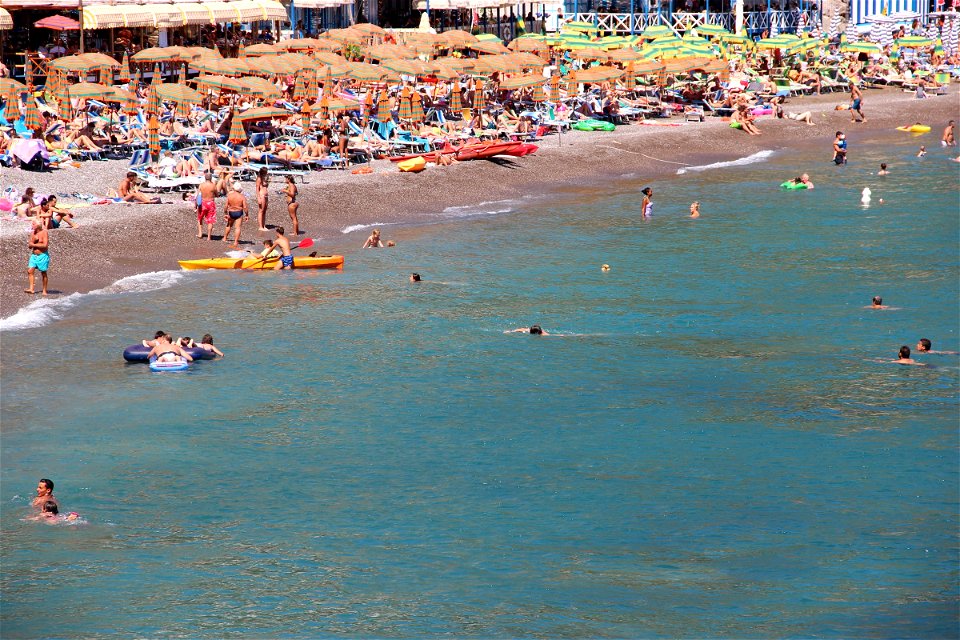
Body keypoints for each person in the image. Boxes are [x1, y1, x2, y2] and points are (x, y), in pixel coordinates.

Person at [25, 219, 49, 295]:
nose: (32, 226)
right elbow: (29, 246)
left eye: (33, 224)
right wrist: (33, 240)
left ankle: (44, 290)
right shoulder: (33, 233)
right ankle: (31, 288)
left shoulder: (44, 232)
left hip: (43, 255)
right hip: (34, 256)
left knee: (43, 273)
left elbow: (45, 245)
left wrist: (34, 244)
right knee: (30, 271)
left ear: (37, 225)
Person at [223, 182, 248, 248]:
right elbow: (245, 207)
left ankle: (225, 238)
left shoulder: (230, 196)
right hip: (238, 212)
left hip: (231, 212)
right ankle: (235, 241)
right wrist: (247, 215)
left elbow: (226, 206)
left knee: (229, 225)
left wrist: (225, 213)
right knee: (238, 227)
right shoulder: (242, 197)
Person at [196, 171, 217, 241]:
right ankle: (209, 237)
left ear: (205, 178)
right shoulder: (213, 185)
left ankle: (200, 233)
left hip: (203, 203)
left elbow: (198, 195)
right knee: (210, 220)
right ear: (211, 178)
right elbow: (217, 194)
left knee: (200, 218)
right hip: (210, 203)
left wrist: (195, 205)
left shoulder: (201, 185)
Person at [255, 167, 269, 231]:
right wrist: (258, 198)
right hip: (261, 195)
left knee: (264, 211)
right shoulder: (259, 178)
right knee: (261, 210)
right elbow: (257, 189)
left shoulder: (264, 178)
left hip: (266, 195)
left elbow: (266, 186)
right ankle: (260, 226)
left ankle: (263, 225)